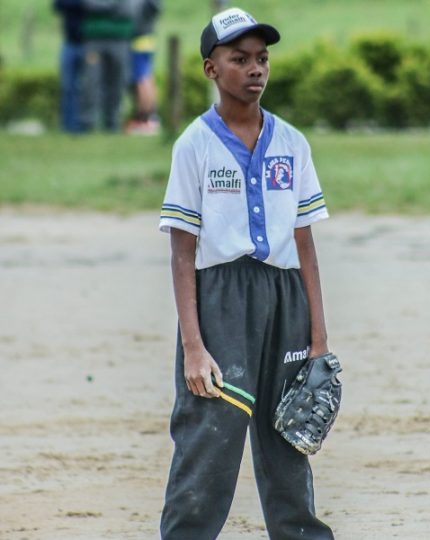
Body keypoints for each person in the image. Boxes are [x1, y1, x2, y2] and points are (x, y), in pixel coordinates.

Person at [158, 7, 335, 540]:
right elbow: (183, 250)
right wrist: (194, 345)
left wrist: (319, 340)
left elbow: (305, 244)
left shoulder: (292, 143)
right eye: (239, 59)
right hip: (221, 299)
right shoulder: (194, 144)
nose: (255, 69)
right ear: (211, 69)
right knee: (210, 434)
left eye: (262, 58)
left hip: (286, 297)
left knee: (290, 431)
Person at [79, 0, 135, 131]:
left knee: (118, 81)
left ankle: (113, 123)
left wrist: (103, 6)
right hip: (94, 38)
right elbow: (88, 4)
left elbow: (129, 7)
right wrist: (114, 5)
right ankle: (88, 123)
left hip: (121, 37)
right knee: (91, 81)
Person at [125, 0, 162, 135]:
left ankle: (145, 119)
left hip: (138, 39)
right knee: (147, 77)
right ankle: (151, 117)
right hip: (147, 37)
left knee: (142, 80)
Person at [53, 0, 85, 133]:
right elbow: (58, 5)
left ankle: (83, 123)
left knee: (86, 87)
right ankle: (68, 125)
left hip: (89, 42)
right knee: (68, 86)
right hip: (70, 42)